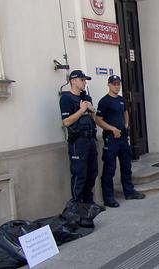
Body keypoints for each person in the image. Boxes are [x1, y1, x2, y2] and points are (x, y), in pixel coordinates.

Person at [95, 75, 146, 208]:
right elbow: (98, 120)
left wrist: (126, 125)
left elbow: (125, 112)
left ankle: (129, 192)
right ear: (109, 85)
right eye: (114, 84)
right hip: (111, 139)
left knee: (126, 166)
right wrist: (113, 129)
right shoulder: (104, 101)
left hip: (123, 138)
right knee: (110, 168)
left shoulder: (122, 100)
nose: (117, 86)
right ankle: (108, 198)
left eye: (119, 84)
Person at [59, 70, 98, 204]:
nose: (85, 82)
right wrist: (81, 110)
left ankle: (89, 204)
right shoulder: (66, 98)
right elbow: (66, 122)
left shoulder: (86, 98)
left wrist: (92, 111)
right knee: (79, 175)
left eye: (85, 80)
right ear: (73, 81)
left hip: (90, 139)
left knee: (92, 173)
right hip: (78, 141)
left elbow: (93, 118)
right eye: (82, 80)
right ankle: (77, 206)